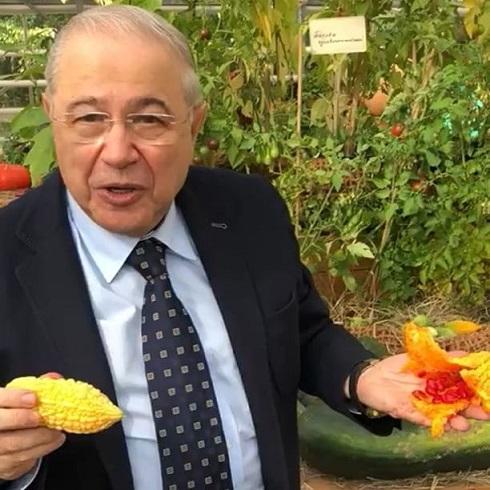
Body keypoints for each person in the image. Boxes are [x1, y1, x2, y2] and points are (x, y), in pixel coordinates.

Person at [0, 6, 488, 490]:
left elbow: (301, 332)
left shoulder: (249, 212)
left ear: (193, 124)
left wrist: (360, 376)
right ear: (52, 117)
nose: (118, 151)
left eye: (149, 119)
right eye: (89, 118)